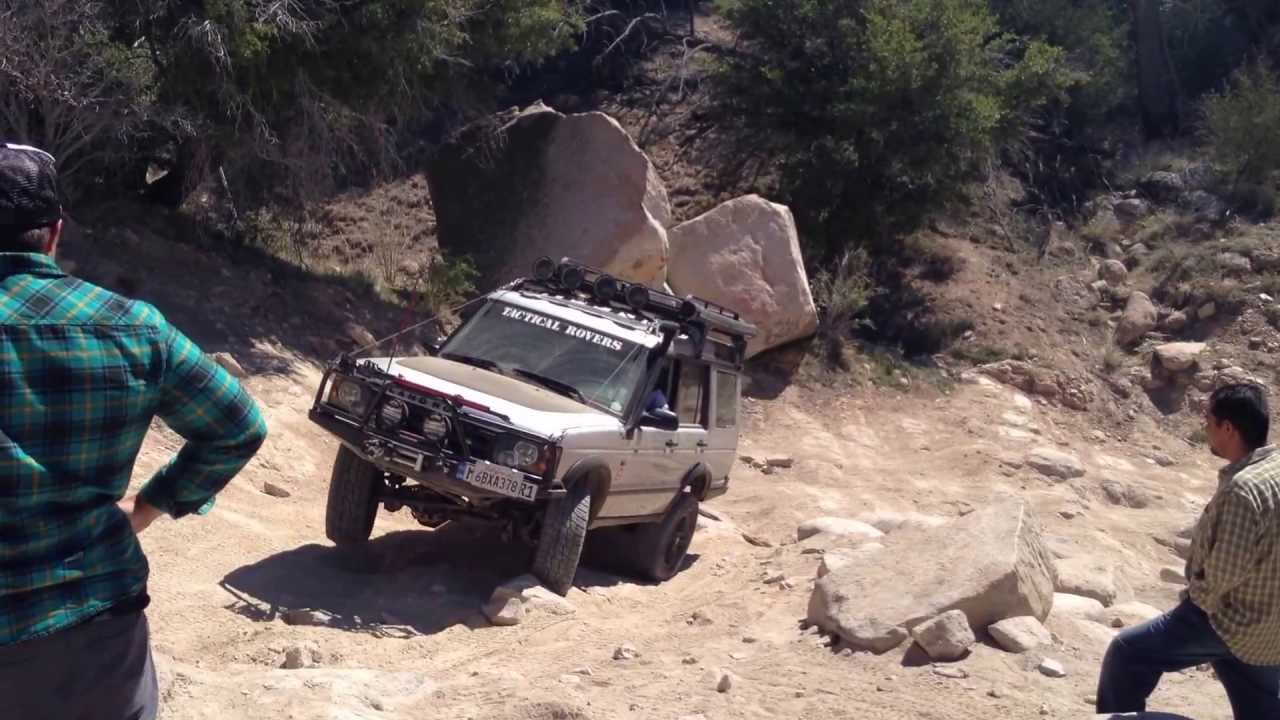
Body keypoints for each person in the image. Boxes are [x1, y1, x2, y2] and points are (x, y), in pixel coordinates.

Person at [0, 143, 269, 719]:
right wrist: (147, 507)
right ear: (54, 234)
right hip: (91, 634)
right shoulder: (132, 328)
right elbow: (238, 427)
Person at [1096, 383, 1280, 719]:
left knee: (1128, 653)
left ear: (1228, 428)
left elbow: (1222, 576)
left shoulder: (1244, 489)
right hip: (1269, 627)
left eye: (1209, 420)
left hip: (1228, 621)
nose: (1204, 427)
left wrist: (1193, 608)